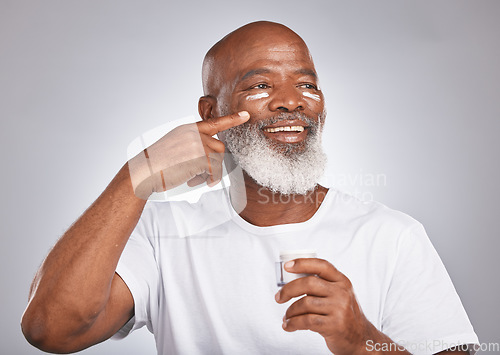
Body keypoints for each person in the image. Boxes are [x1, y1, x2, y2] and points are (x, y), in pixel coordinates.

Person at [21, 21, 479, 355]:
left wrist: (364, 341)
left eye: (307, 85)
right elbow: (51, 330)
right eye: (260, 85)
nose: (291, 101)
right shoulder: (164, 232)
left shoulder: (390, 235)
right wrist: (135, 175)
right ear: (210, 111)